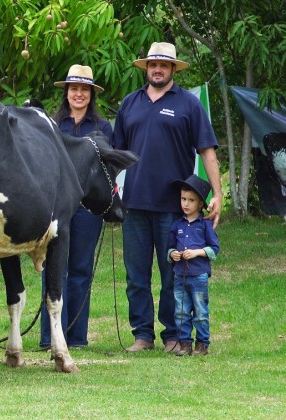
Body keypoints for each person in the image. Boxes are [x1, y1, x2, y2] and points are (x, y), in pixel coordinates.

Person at [110, 42, 223, 353]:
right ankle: (142, 335)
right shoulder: (129, 104)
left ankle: (174, 335)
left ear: (174, 69)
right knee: (136, 276)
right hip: (133, 204)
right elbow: (115, 154)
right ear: (146, 68)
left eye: (163, 65)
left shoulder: (188, 104)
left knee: (173, 274)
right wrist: (109, 189)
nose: (156, 69)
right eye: (152, 64)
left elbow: (208, 151)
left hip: (176, 208)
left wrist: (218, 193)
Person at [38, 65, 113, 349]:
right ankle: (50, 338)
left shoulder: (102, 128)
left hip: (88, 208)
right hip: (57, 207)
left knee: (81, 269)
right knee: (54, 269)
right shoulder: (53, 124)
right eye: (74, 89)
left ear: (91, 94)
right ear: (66, 93)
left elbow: (108, 170)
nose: (78, 94)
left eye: (84, 89)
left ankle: (77, 337)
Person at [168, 174, 220, 356]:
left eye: (191, 200)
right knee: (181, 311)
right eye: (183, 199)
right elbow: (170, 249)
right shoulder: (176, 225)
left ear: (200, 204)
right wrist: (172, 254)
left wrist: (197, 252)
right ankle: (184, 344)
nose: (186, 204)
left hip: (199, 275)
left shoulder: (205, 226)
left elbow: (214, 250)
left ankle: (202, 344)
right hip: (179, 275)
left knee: (200, 311)